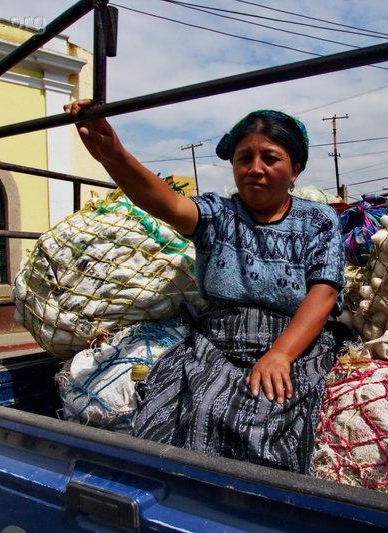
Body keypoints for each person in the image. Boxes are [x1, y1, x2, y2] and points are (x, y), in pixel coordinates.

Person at [64, 101, 347, 474]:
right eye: (244, 158)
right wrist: (114, 155)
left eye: (271, 158)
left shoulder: (318, 219)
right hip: (218, 342)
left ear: (295, 169)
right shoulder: (217, 213)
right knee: (190, 410)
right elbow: (163, 201)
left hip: (295, 342)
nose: (255, 169)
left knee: (270, 418)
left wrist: (280, 354)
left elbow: (323, 292)